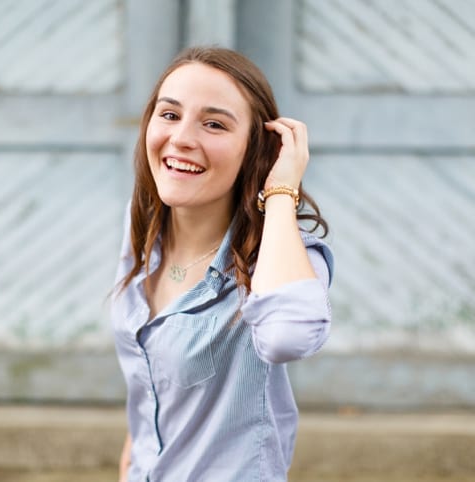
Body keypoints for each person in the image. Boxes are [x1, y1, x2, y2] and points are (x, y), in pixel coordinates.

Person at [111, 46, 333, 481]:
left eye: (214, 124)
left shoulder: (284, 256)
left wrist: (282, 191)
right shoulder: (145, 227)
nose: (182, 139)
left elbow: (288, 335)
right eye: (170, 115)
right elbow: (148, 390)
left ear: (257, 148)